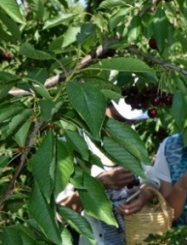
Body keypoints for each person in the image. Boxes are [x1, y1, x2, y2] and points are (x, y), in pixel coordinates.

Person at [57, 99, 158, 245]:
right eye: (119, 119)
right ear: (99, 107)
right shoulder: (70, 148)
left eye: (132, 122)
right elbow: (60, 215)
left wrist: (143, 195)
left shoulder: (130, 141)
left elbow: (150, 179)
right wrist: (99, 184)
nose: (126, 126)